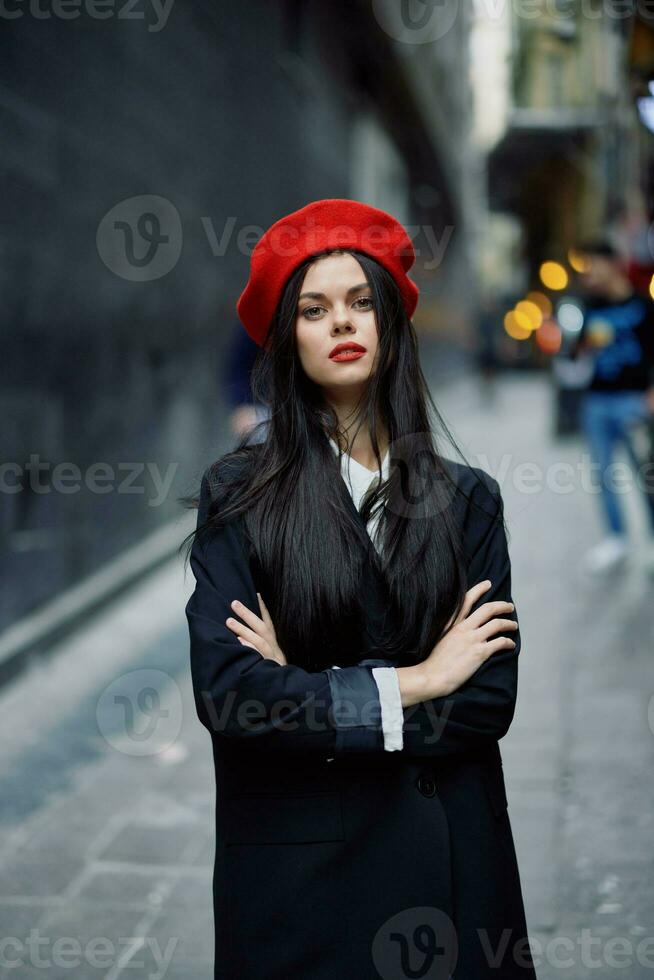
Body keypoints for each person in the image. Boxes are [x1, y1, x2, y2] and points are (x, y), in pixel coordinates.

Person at [181, 198, 537, 979]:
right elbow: (235, 699)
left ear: (391, 322)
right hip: (304, 881)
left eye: (360, 302)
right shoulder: (240, 496)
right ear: (288, 336)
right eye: (314, 309)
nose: (341, 324)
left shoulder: (468, 499)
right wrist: (419, 678)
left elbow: (486, 701)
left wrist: (311, 692)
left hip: (450, 866)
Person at [570, 239, 654, 574]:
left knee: (646, 474)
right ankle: (616, 539)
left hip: (634, 400)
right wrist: (583, 344)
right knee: (603, 473)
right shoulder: (588, 306)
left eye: (592, 265)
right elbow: (573, 355)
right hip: (597, 401)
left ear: (612, 264)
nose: (587, 274)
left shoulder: (644, 306)